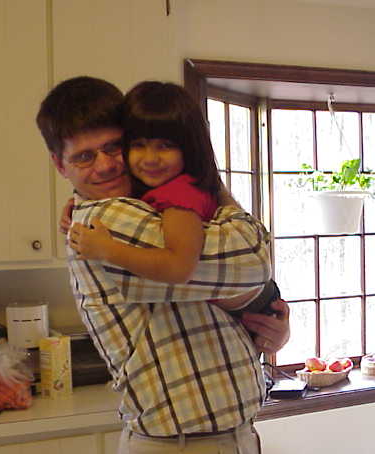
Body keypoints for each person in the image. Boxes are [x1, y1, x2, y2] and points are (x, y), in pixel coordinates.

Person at [36, 76, 290, 454]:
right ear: (59, 163)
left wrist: (266, 324)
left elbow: (224, 295)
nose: (104, 165)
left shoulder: (150, 206)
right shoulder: (110, 222)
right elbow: (251, 259)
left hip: (214, 444)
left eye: (113, 148)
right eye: (84, 157)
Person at [68, 81, 280, 316]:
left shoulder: (178, 197)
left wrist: (107, 249)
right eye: (138, 145)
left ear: (189, 148)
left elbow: (179, 268)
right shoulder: (160, 188)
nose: (150, 159)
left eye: (165, 146)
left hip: (253, 307)